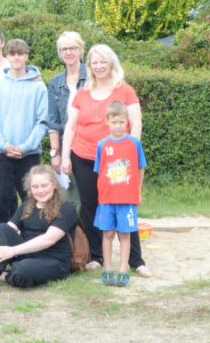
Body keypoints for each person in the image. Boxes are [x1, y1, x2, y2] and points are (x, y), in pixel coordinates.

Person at [60, 44, 151, 278]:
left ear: (112, 64)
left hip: (117, 162)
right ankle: (97, 256)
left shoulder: (125, 91)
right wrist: (66, 155)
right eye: (94, 62)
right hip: (84, 156)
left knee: (124, 206)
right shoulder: (82, 93)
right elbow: (70, 126)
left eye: (103, 61)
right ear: (89, 66)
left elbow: (136, 123)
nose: (99, 66)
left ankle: (135, 260)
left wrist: (130, 150)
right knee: (91, 205)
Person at [0, 165, 78, 298]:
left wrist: (13, 251)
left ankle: (1, 273)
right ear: (30, 188)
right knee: (1, 227)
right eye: (35, 187)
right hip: (26, 253)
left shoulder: (67, 208)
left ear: (54, 185)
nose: (40, 190)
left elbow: (48, 240)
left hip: (53, 261)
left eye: (44, 185)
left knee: (21, 271)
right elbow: (9, 228)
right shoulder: (27, 205)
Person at [0, 39, 48, 235]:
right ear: (8, 57)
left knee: (32, 198)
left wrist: (26, 146)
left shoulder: (38, 88)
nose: (16, 58)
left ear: (26, 56)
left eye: (20, 54)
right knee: (1, 199)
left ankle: (32, 238)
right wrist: (4, 145)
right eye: (12, 54)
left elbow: (42, 122)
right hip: (2, 153)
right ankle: (2, 239)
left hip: (28, 154)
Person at [94, 101, 147, 287]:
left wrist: (138, 192)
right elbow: (100, 172)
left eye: (122, 122)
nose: (118, 126)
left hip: (127, 199)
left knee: (125, 235)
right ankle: (107, 269)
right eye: (114, 122)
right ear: (107, 122)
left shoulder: (134, 143)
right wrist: (101, 197)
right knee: (107, 234)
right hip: (107, 200)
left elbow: (141, 168)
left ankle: (123, 269)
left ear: (127, 123)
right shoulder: (102, 145)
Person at [47, 32, 88, 208]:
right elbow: (53, 121)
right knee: (70, 200)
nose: (68, 52)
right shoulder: (55, 83)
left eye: (72, 48)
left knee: (89, 197)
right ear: (59, 53)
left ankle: (95, 236)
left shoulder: (93, 77)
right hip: (66, 147)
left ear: (80, 50)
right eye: (64, 49)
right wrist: (55, 154)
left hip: (89, 144)